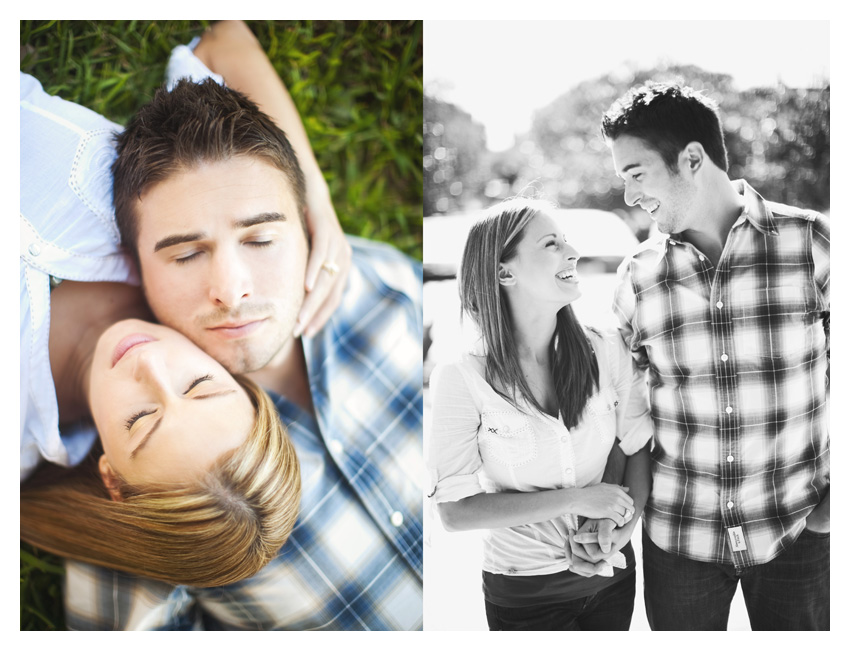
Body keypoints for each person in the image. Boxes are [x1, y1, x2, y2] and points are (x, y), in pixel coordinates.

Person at [22, 21, 423, 630]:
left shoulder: (178, 514)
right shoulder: (383, 288)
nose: (232, 289)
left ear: (114, 477)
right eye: (188, 252)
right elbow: (224, 45)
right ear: (242, 393)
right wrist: (305, 197)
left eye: (142, 418)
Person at [602, 81, 829, 630]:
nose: (630, 196)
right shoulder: (636, 276)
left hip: (800, 533)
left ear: (693, 158)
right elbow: (622, 416)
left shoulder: (812, 242)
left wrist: (832, 510)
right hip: (679, 542)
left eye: (637, 174)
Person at [427, 197, 652, 631]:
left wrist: (619, 527)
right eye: (552, 244)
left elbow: (635, 447)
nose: (573, 253)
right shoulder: (461, 376)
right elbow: (456, 513)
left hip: (612, 580)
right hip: (522, 594)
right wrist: (579, 499)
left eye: (566, 241)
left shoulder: (607, 350)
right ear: (503, 271)